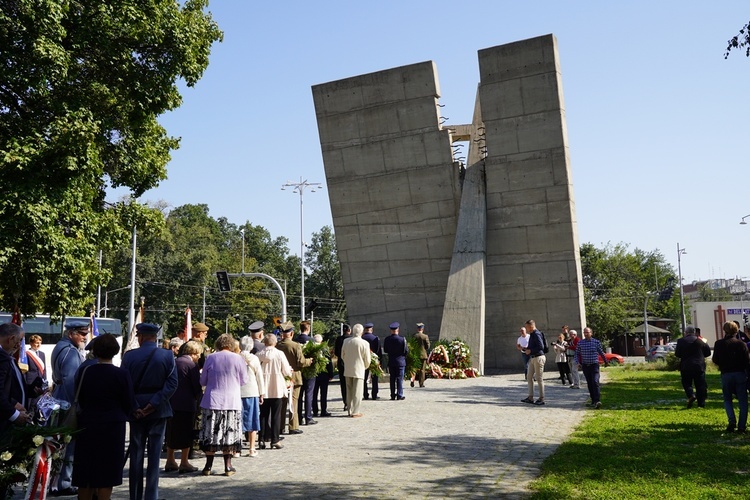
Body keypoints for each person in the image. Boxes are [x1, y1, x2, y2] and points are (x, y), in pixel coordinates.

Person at [72, 334, 136, 500]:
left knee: (86, 468)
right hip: (113, 426)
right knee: (107, 470)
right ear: (115, 351)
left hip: (87, 423)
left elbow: (80, 397)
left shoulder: (85, 371)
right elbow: (128, 402)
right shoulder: (122, 374)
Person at [121, 323, 178, 500]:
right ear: (155, 337)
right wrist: (153, 404)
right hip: (158, 410)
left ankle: (135, 496)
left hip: (136, 409)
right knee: (154, 457)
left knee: (136, 456)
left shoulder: (129, 356)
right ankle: (151, 495)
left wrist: (135, 406)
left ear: (141, 337)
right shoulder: (167, 355)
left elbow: (124, 384)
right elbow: (172, 384)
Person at [198, 334, 248, 476]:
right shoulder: (238, 359)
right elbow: (244, 380)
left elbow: (203, 381)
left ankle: (208, 466)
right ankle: (227, 466)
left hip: (212, 400)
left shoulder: (211, 358)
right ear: (232, 345)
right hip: (231, 401)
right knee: (229, 434)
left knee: (210, 434)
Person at [50, 320, 88, 496]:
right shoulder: (71, 352)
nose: (84, 337)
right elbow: (71, 381)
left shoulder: (60, 346)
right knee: (68, 444)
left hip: (59, 398)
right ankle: (63, 483)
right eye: (81, 334)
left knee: (59, 443)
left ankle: (55, 481)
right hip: (67, 402)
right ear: (71, 333)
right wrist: (77, 404)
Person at [164, 340, 203, 474]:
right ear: (194, 353)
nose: (199, 357)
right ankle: (184, 462)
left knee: (171, 432)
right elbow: (196, 387)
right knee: (187, 433)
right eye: (198, 354)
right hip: (187, 404)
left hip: (171, 403)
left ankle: (170, 460)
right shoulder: (191, 365)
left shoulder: (174, 362)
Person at [256, 334, 292, 449]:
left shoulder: (258, 355)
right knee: (276, 415)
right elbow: (286, 371)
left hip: (262, 388)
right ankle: (275, 440)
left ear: (264, 343)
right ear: (275, 343)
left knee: (263, 415)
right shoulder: (279, 354)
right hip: (276, 387)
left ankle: (261, 439)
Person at [712, 321, 750, 433]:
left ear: (724, 330)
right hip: (740, 374)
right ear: (736, 330)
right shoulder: (741, 344)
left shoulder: (719, 343)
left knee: (727, 398)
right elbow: (747, 361)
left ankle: (732, 421)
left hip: (726, 373)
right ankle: (742, 426)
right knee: (743, 400)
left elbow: (715, 359)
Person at [277, 321, 312, 434]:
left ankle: (280, 426)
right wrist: (309, 361)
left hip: (281, 377)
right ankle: (293, 426)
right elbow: (300, 362)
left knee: (282, 403)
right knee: (293, 402)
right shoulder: (295, 345)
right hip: (294, 377)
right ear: (291, 333)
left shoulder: (277, 345)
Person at [1, 323, 32, 436]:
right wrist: (15, 415)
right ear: (11, 338)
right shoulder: (2, 358)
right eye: (19, 341)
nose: (19, 346)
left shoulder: (8, 357)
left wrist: (13, 402)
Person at [674, 325, 711, 408]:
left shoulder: (681, 341)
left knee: (686, 383)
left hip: (686, 366)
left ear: (686, 333)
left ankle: (691, 395)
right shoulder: (701, 341)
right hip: (699, 366)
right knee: (700, 385)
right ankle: (701, 404)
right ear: (694, 332)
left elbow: (677, 354)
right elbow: (708, 352)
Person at [239, 340, 265, 457]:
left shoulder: (236, 357)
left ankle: (236, 449)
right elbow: (259, 376)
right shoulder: (254, 359)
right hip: (252, 391)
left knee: (237, 421)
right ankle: (252, 448)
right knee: (252, 420)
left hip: (238, 392)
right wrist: (262, 392)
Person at [341, 324, 371, 417]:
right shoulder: (365, 343)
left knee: (349, 391)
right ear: (361, 332)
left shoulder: (346, 341)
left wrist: (347, 363)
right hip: (359, 369)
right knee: (357, 392)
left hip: (348, 369)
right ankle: (355, 411)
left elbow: (342, 355)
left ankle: (349, 410)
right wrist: (365, 366)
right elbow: (367, 359)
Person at [576, 327, 608, 409]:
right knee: (590, 383)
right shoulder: (580, 343)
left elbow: (601, 352)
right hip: (585, 366)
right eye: (584, 332)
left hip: (594, 365)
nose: (586, 334)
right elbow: (577, 354)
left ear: (591, 333)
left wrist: (606, 361)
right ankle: (593, 400)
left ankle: (597, 400)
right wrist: (577, 362)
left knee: (595, 381)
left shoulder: (596, 342)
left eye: (587, 332)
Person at [521, 320, 547, 406]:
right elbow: (532, 346)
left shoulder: (536, 333)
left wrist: (530, 350)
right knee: (529, 377)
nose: (526, 329)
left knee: (539, 378)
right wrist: (526, 349)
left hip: (538, 357)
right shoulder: (532, 334)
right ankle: (530, 397)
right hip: (532, 358)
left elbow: (541, 347)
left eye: (527, 327)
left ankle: (541, 398)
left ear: (531, 326)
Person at [295, 321, 316, 426]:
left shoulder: (296, 340)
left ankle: (298, 417)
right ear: (308, 329)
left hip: (298, 370)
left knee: (299, 395)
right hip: (310, 370)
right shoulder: (312, 340)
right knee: (309, 394)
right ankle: (308, 417)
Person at [383, 322, 408, 400]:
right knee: (399, 379)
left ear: (391, 330)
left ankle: (392, 395)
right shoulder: (402, 339)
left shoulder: (387, 339)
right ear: (398, 330)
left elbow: (386, 350)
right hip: (400, 361)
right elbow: (406, 351)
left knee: (392, 379)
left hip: (391, 361)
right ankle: (399, 395)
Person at [312, 334, 334, 417]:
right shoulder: (325, 349)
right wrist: (331, 374)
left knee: (314, 394)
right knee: (323, 394)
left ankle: (315, 410)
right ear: (321, 341)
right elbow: (329, 363)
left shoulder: (312, 349)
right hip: (324, 374)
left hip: (314, 374)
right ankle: (323, 410)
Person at [334, 324, 352, 410]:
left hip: (341, 364)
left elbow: (336, 352)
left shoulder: (339, 339)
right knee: (351, 384)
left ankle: (345, 402)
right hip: (350, 363)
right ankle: (351, 402)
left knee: (343, 384)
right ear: (349, 330)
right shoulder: (351, 339)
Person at [362, 322, 381, 398]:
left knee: (364, 378)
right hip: (374, 360)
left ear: (365, 330)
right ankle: (374, 394)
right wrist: (380, 361)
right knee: (374, 378)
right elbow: (378, 351)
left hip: (363, 360)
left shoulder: (362, 338)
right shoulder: (375, 338)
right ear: (371, 329)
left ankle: (365, 394)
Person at [412, 322, 430, 388]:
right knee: (422, 370)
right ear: (422, 329)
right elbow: (428, 346)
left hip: (415, 354)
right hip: (423, 355)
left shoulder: (414, 336)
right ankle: (421, 383)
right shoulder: (425, 336)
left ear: (417, 329)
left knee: (414, 369)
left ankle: (412, 381)